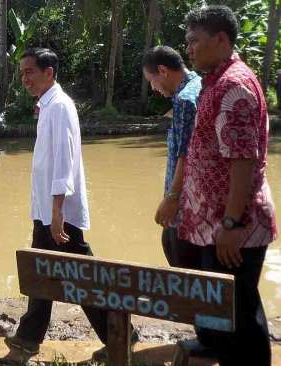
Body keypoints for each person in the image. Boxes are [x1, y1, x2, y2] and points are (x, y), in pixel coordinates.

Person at [179, 6, 276, 365]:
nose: (189, 49)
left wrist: (233, 223)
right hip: (217, 224)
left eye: (195, 42)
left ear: (220, 39)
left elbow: (244, 161)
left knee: (241, 313)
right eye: (187, 43)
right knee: (225, 305)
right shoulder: (215, 80)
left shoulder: (234, 86)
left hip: (235, 226)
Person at [5, 48, 110, 355]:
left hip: (57, 213)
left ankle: (120, 334)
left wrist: (57, 211)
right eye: (22, 73)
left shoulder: (60, 106)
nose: (24, 79)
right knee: (44, 271)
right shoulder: (48, 105)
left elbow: (64, 162)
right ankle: (29, 335)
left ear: (48, 72)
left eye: (29, 72)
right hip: (47, 211)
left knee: (81, 276)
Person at [142, 46, 202, 268]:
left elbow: (185, 155)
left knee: (182, 264)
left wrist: (172, 198)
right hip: (196, 203)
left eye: (152, 80)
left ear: (163, 71)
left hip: (185, 205)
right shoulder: (198, 82)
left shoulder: (185, 100)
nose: (153, 88)